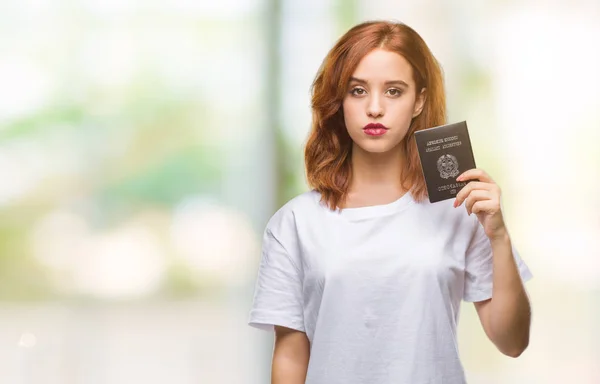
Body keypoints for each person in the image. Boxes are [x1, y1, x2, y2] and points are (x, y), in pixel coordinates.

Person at [248, 20, 533, 384]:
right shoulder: (295, 223)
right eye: (357, 91)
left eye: (394, 91)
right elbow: (290, 355)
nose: (375, 108)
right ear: (339, 100)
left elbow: (512, 342)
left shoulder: (460, 209)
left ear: (420, 101)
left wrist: (499, 237)